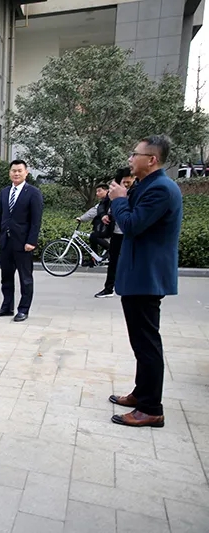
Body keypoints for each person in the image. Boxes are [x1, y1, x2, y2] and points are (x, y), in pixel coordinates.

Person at [107, 135, 182, 428]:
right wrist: (122, 200)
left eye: (135, 154)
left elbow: (132, 224)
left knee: (147, 343)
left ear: (152, 159)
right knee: (141, 341)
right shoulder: (147, 185)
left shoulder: (161, 188)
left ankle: (151, 408)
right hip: (138, 274)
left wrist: (118, 200)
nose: (130, 158)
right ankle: (141, 393)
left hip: (146, 276)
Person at [0, 159, 43, 322]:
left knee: (25, 278)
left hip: (23, 243)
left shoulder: (33, 192)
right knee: (6, 277)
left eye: (20, 170)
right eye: (14, 170)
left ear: (26, 173)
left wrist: (31, 241)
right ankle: (7, 307)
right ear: (9, 173)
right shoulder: (5, 192)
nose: (16, 173)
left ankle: (23, 309)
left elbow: (36, 220)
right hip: (5, 241)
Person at [96, 169, 136, 298]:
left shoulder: (137, 192)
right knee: (113, 261)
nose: (126, 184)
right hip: (116, 232)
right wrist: (103, 215)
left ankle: (130, 287)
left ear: (134, 178)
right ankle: (109, 288)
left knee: (131, 261)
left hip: (130, 233)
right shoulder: (115, 191)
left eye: (129, 181)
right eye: (124, 182)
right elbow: (102, 205)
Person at [75, 183, 112, 260]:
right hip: (104, 226)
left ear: (106, 190)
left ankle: (111, 250)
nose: (97, 193)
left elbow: (94, 211)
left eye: (99, 191)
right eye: (96, 191)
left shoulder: (110, 200)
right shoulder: (104, 201)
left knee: (94, 236)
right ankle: (93, 260)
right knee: (93, 237)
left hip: (109, 226)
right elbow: (95, 210)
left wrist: (81, 219)